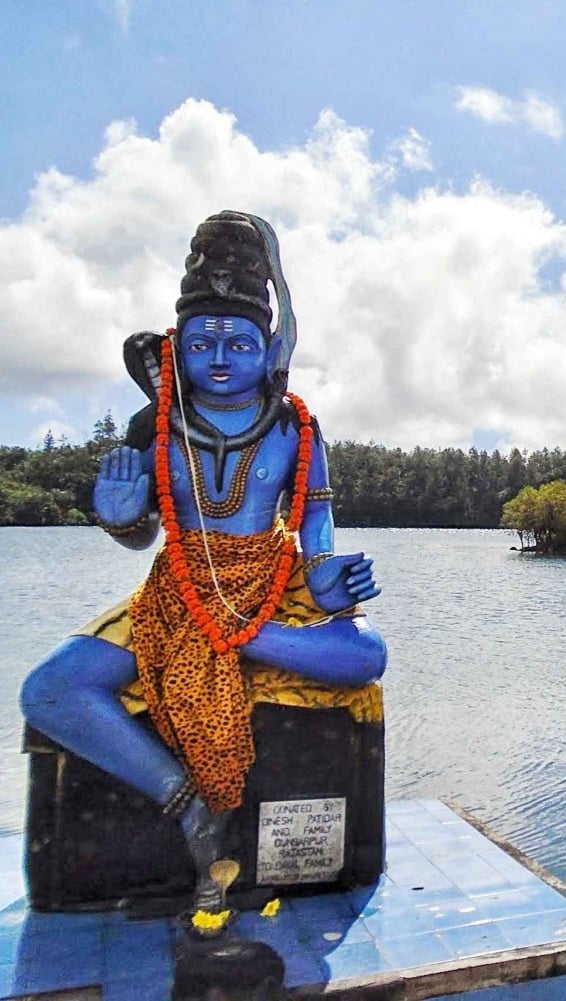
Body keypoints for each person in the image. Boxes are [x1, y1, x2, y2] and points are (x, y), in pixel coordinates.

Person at [20, 211, 386, 918]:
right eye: (202, 342)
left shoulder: (294, 426)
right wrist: (122, 513)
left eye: (240, 343)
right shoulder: (154, 424)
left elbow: (316, 528)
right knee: (50, 690)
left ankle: (248, 641)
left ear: (268, 350)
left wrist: (325, 577)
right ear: (176, 347)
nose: (220, 358)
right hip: (179, 590)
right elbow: (140, 534)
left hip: (270, 583)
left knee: (366, 654)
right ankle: (183, 801)